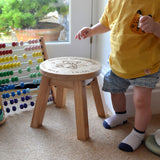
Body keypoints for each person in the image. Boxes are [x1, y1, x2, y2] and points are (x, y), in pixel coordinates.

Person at [75, 0, 160, 152]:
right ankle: (120, 115)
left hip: (145, 66)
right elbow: (106, 23)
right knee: (115, 89)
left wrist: (155, 27)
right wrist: (92, 30)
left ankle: (139, 133)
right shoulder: (115, 2)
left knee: (141, 100)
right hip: (118, 62)